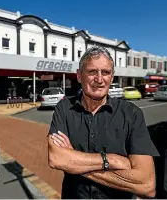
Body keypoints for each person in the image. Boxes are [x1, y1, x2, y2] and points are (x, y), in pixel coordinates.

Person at [47, 46, 159, 199]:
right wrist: (111, 160)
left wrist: (74, 162)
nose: (99, 80)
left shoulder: (131, 114)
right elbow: (56, 158)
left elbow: (146, 185)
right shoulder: (64, 108)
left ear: (112, 77)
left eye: (105, 72)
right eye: (92, 71)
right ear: (79, 76)